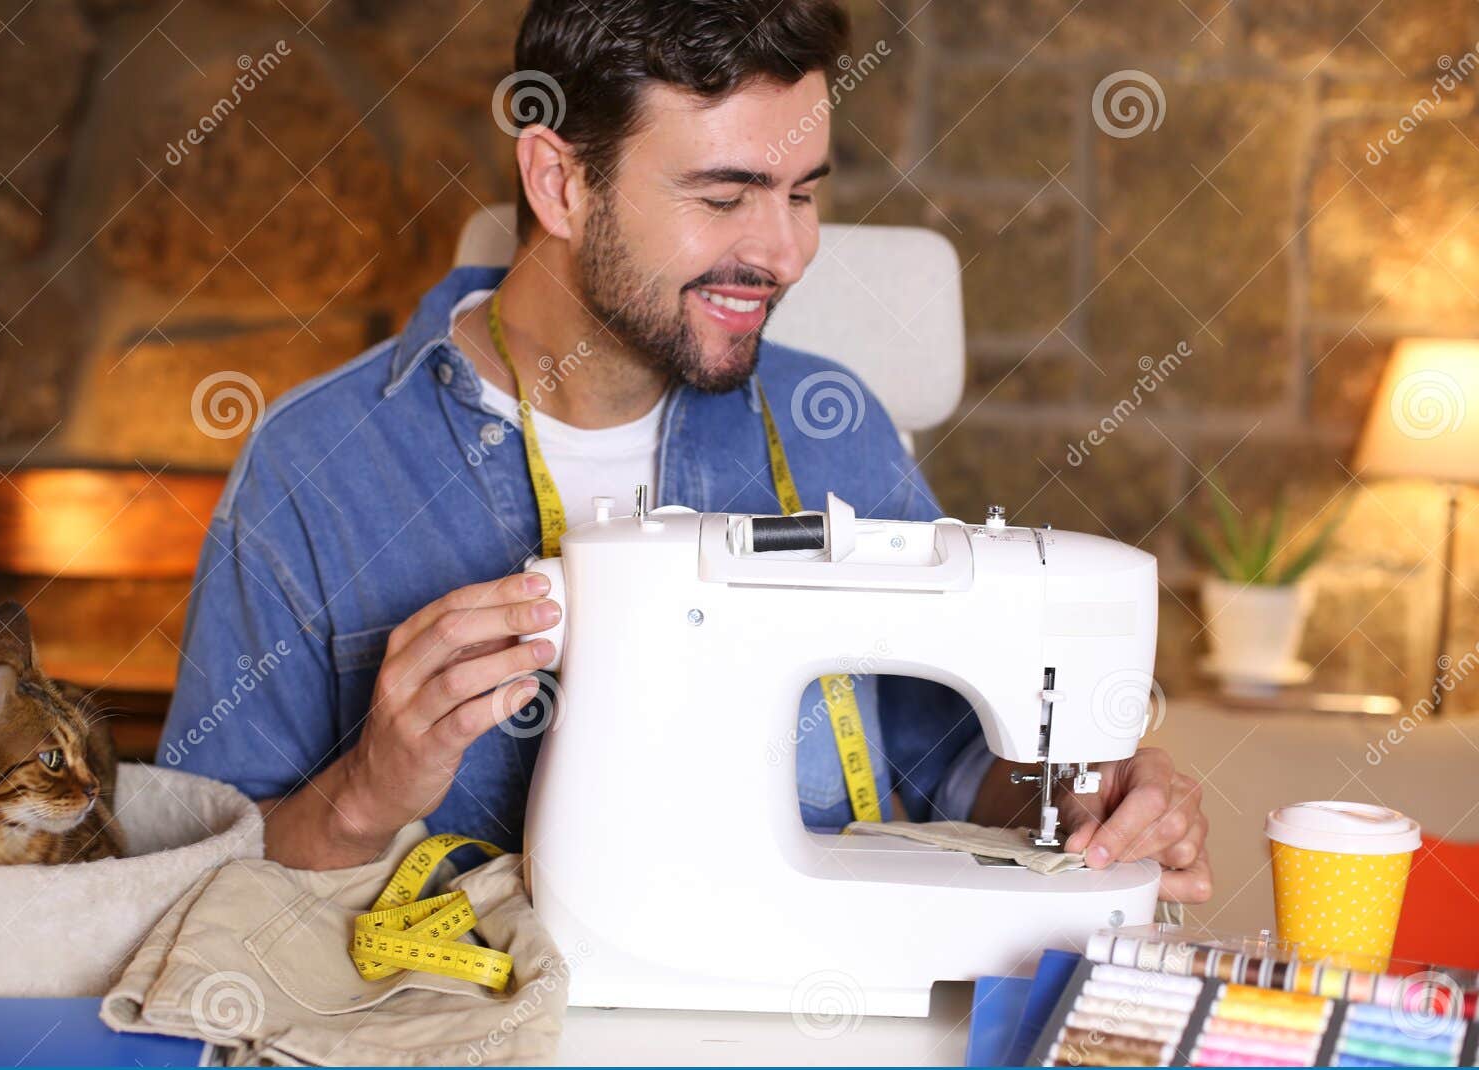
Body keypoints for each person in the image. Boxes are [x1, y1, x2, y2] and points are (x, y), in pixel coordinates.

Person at [159, 0, 1211, 904]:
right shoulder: (318, 466)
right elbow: (192, 883)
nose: (789, 250)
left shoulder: (829, 422)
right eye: (723, 197)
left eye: (802, 192)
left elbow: (959, 768)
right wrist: (362, 795)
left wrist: (1088, 795)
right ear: (559, 184)